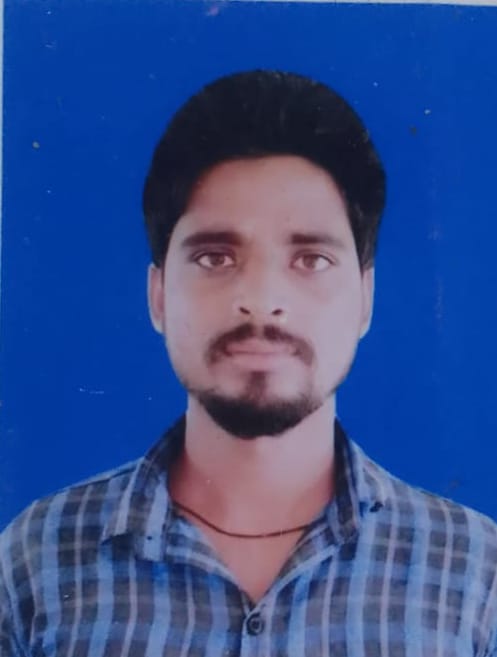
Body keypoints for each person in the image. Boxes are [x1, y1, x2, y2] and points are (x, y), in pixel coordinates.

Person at [1, 69, 496, 657]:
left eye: (311, 259)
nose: (261, 299)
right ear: (158, 297)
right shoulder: (37, 560)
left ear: (366, 299)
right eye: (215, 257)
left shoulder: (476, 575)